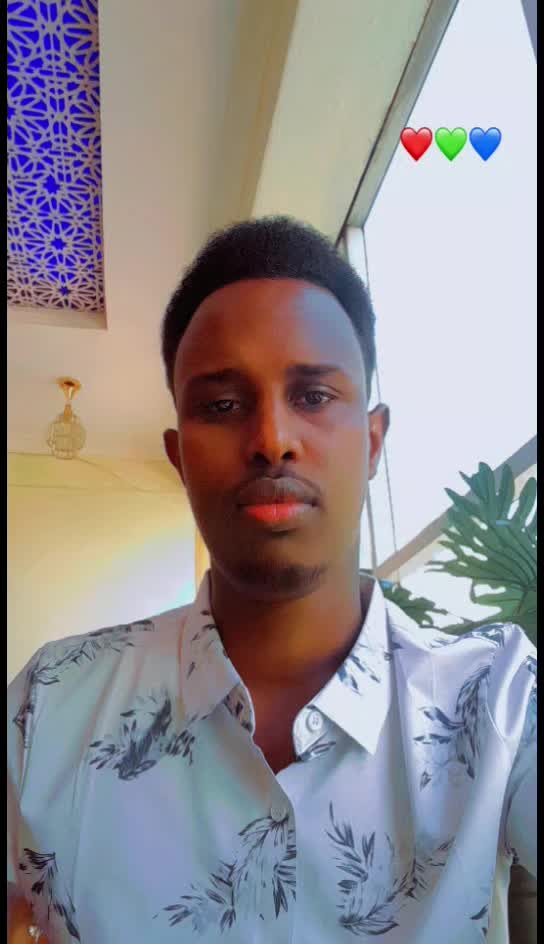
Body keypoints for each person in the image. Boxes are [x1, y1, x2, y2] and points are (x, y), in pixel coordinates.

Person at [7, 217, 536, 942]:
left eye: (313, 396)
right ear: (179, 457)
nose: (271, 439)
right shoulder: (49, 706)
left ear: (373, 442)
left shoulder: (499, 705)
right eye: (223, 405)